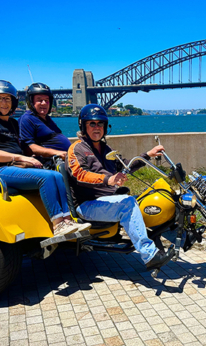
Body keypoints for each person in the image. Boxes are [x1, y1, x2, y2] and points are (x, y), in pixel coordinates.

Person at [67, 104, 175, 271]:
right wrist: (108, 180)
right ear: (83, 126)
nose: (97, 128)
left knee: (150, 197)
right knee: (127, 203)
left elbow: (126, 166)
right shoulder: (77, 148)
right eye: (92, 124)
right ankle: (150, 255)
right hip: (87, 204)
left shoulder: (105, 149)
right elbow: (78, 174)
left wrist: (148, 155)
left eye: (100, 124)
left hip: (106, 200)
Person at [0, 80, 90, 237]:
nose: (4, 103)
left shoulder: (12, 124)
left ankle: (67, 220)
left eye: (7, 99)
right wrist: (23, 158)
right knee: (46, 178)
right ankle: (58, 225)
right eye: (0, 99)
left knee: (57, 175)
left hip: (14, 167)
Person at [19, 83, 71, 160]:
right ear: (31, 102)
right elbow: (28, 147)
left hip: (68, 158)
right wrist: (57, 153)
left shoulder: (47, 118)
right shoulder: (27, 119)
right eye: (39, 100)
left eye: (46, 100)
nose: (44, 103)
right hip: (53, 162)